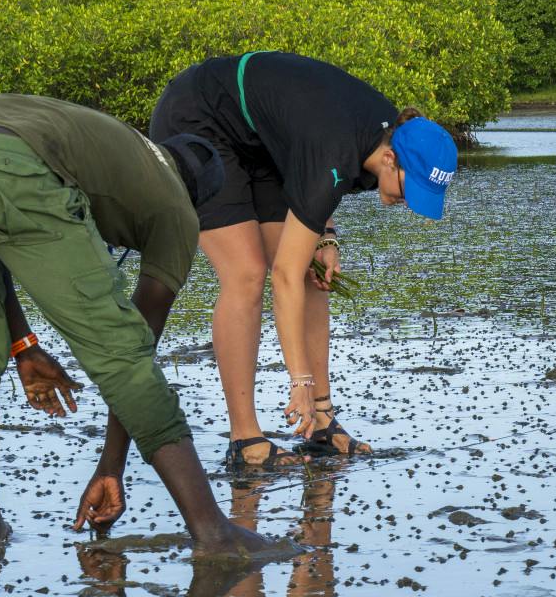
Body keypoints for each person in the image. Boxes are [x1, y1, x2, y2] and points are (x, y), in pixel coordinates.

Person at [0, 94, 271, 556]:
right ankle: (215, 534)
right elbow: (132, 352)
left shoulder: (120, 148)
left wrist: (23, 345)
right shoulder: (177, 207)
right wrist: (111, 467)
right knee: (122, 353)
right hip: (8, 164)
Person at [150, 52, 460, 472]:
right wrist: (299, 381)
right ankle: (245, 439)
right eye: (411, 190)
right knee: (249, 273)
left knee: (314, 272)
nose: (408, 203)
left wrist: (326, 236)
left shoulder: (388, 135)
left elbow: (313, 162)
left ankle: (321, 422)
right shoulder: (343, 144)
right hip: (200, 118)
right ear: (390, 160)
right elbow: (285, 273)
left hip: (263, 143)